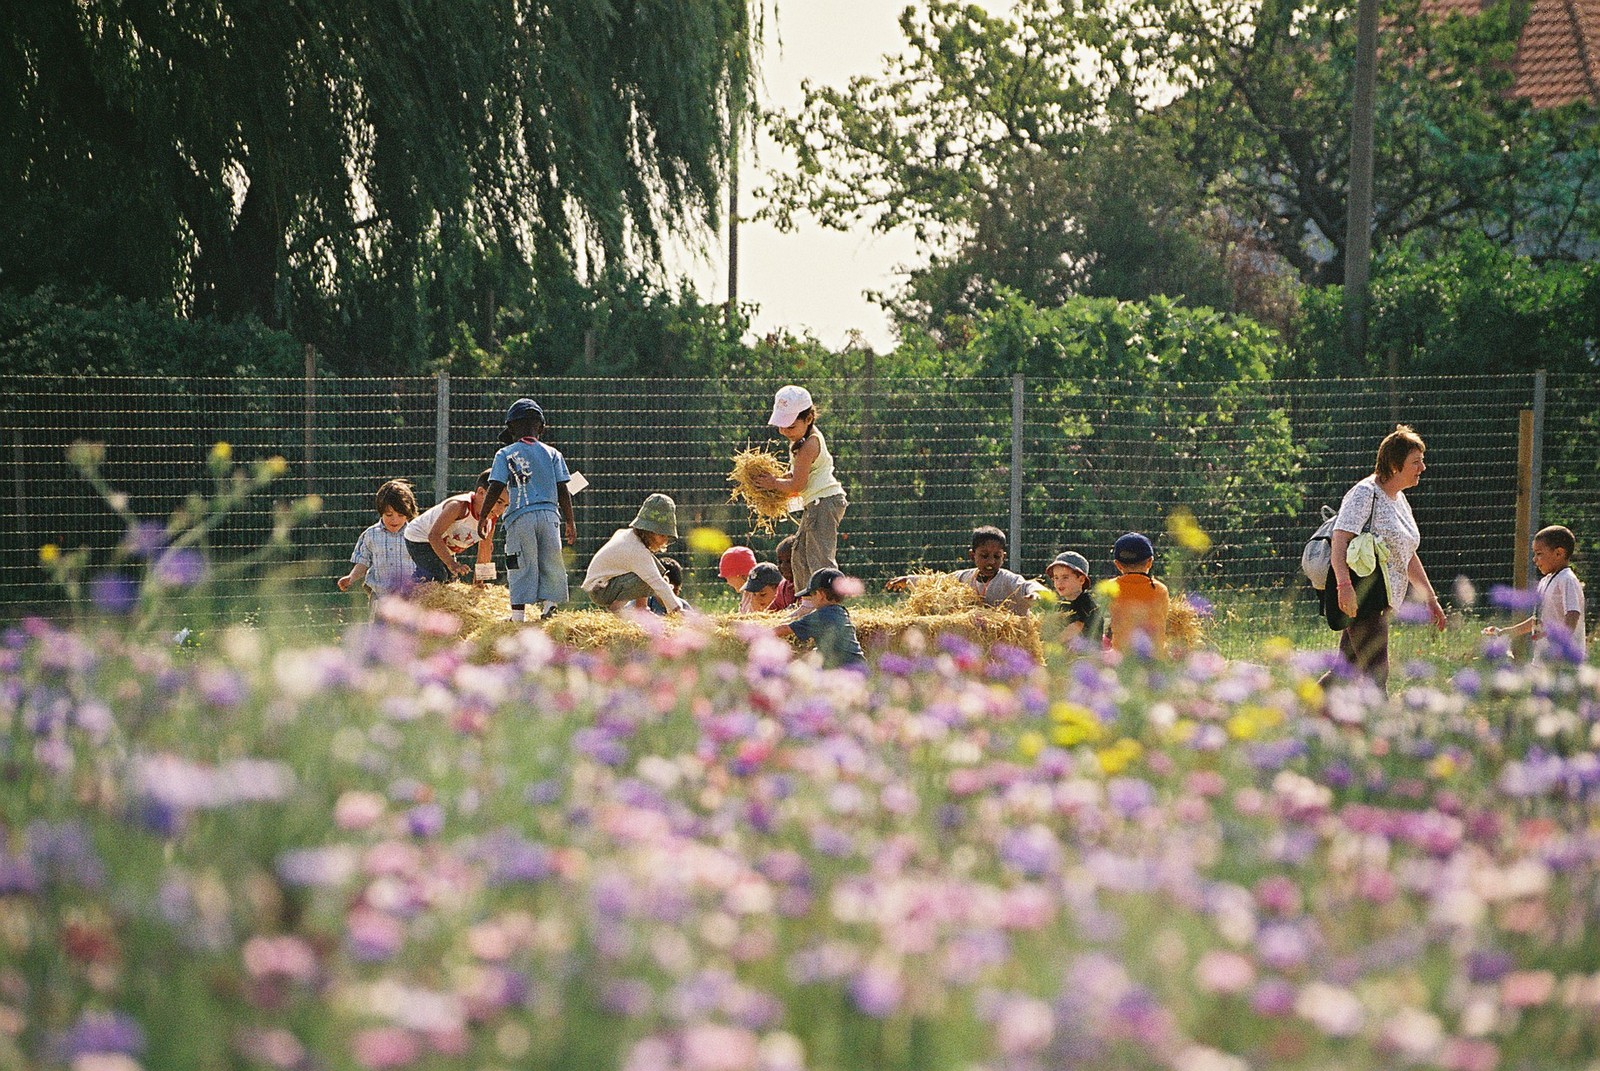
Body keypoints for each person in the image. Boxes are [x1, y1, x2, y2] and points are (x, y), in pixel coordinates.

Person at [1323, 424, 1446, 688]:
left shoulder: (1399, 499)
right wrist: (1343, 587)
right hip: (1363, 596)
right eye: (1415, 462)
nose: (1422, 468)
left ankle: (1302, 716)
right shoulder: (1365, 493)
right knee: (1377, 673)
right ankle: (1382, 728)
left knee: (1343, 671)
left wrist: (1430, 599)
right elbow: (1340, 540)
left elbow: (1407, 554)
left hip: (1383, 598)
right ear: (1394, 464)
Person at [480, 399, 577, 622]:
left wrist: (483, 515)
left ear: (511, 428)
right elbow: (563, 489)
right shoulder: (554, 454)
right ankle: (550, 607)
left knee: (519, 561)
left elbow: (495, 486)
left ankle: (517, 616)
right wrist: (570, 522)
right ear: (541, 428)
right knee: (551, 560)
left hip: (519, 517)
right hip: (550, 517)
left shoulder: (505, 454)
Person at [752, 386, 848, 589]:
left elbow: (797, 484)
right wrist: (775, 481)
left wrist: (773, 483)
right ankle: (807, 601)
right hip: (816, 502)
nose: (785, 431)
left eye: (790, 426)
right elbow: (797, 476)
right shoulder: (801, 439)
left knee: (820, 558)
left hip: (825, 502)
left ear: (809, 418)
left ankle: (828, 605)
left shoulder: (809, 445)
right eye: (781, 426)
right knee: (799, 554)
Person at [1483, 525, 1585, 660]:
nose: (1534, 559)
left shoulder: (1567, 579)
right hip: (1543, 661)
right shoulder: (1545, 581)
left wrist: (1561, 647)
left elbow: (1572, 614)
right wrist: (1506, 632)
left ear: (1559, 553)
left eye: (1539, 554)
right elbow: (1538, 621)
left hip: (1563, 663)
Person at [886, 526, 1039, 616]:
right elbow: (938, 582)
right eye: (984, 556)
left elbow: (1027, 586)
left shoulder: (1008, 579)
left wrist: (1035, 593)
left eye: (996, 557)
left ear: (1003, 557)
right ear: (972, 555)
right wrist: (909, 579)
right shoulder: (966, 577)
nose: (991, 562)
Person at [582, 494, 683, 614]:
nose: (664, 540)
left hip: (606, 584)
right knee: (651, 577)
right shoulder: (636, 550)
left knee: (651, 568)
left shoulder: (629, 537)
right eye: (661, 535)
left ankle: (642, 608)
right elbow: (657, 582)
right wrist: (678, 611)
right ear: (649, 532)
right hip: (600, 590)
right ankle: (616, 609)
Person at [403, 470, 506, 586]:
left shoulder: (491, 518)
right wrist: (451, 563)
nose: (500, 511)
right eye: (498, 502)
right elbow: (433, 536)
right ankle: (408, 589)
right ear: (481, 492)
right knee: (437, 578)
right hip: (420, 538)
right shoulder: (458, 506)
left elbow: (485, 549)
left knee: (450, 581)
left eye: (506, 505)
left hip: (441, 544)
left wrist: (478, 583)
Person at [339, 479, 419, 597]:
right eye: (389, 515)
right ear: (381, 511)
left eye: (400, 515)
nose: (394, 520)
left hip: (410, 598)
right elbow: (363, 562)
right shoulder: (371, 535)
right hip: (381, 598)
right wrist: (351, 577)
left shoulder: (415, 535)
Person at [776, 567, 866, 670]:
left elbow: (784, 630)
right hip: (859, 667)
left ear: (821, 595)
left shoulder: (821, 616)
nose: (810, 599)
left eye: (812, 595)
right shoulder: (841, 612)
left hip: (846, 671)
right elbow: (824, 649)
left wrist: (760, 635)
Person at [1105, 532, 1170, 657]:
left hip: (1122, 658)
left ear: (1118, 564)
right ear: (1149, 562)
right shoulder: (1160, 590)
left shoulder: (1111, 588)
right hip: (1154, 658)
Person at [1044, 550, 1101, 645]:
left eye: (1065, 577)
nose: (1059, 582)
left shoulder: (1085, 602)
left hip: (1087, 656)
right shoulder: (1062, 604)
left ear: (1081, 580)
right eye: (1056, 578)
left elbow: (1074, 628)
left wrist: (1052, 645)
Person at [719, 545, 758, 611]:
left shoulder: (758, 596)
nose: (728, 582)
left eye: (727, 577)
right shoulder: (747, 593)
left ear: (738, 575)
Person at [770, 535, 799, 612]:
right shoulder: (783, 586)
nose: (783, 566)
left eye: (789, 561)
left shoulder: (807, 585)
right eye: (780, 562)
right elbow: (774, 607)